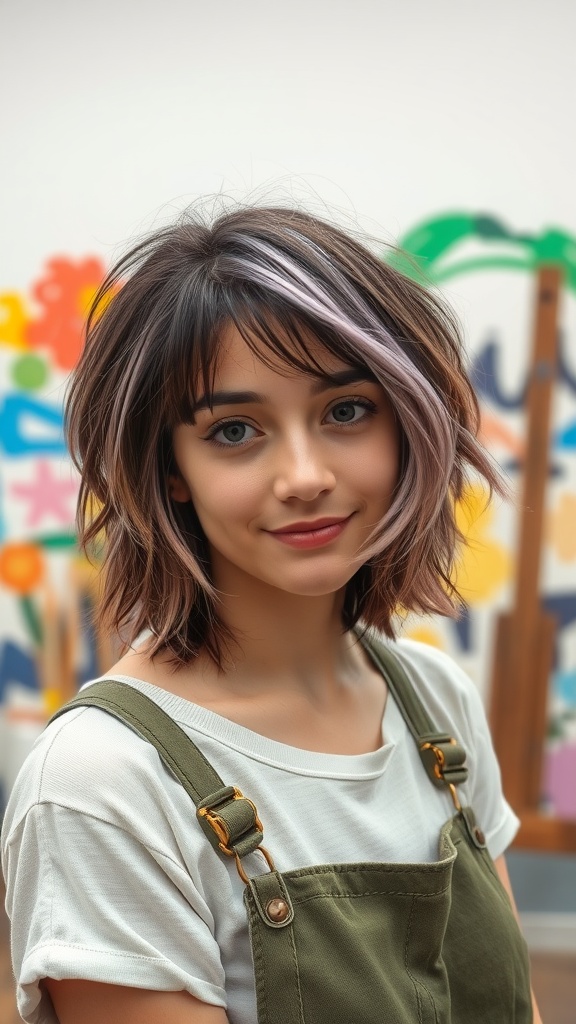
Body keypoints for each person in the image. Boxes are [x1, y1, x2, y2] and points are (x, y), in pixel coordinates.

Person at [2, 204, 540, 1023]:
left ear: (405, 420)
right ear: (169, 468)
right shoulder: (100, 782)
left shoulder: (435, 700)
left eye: (346, 410)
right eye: (235, 430)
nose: (303, 475)